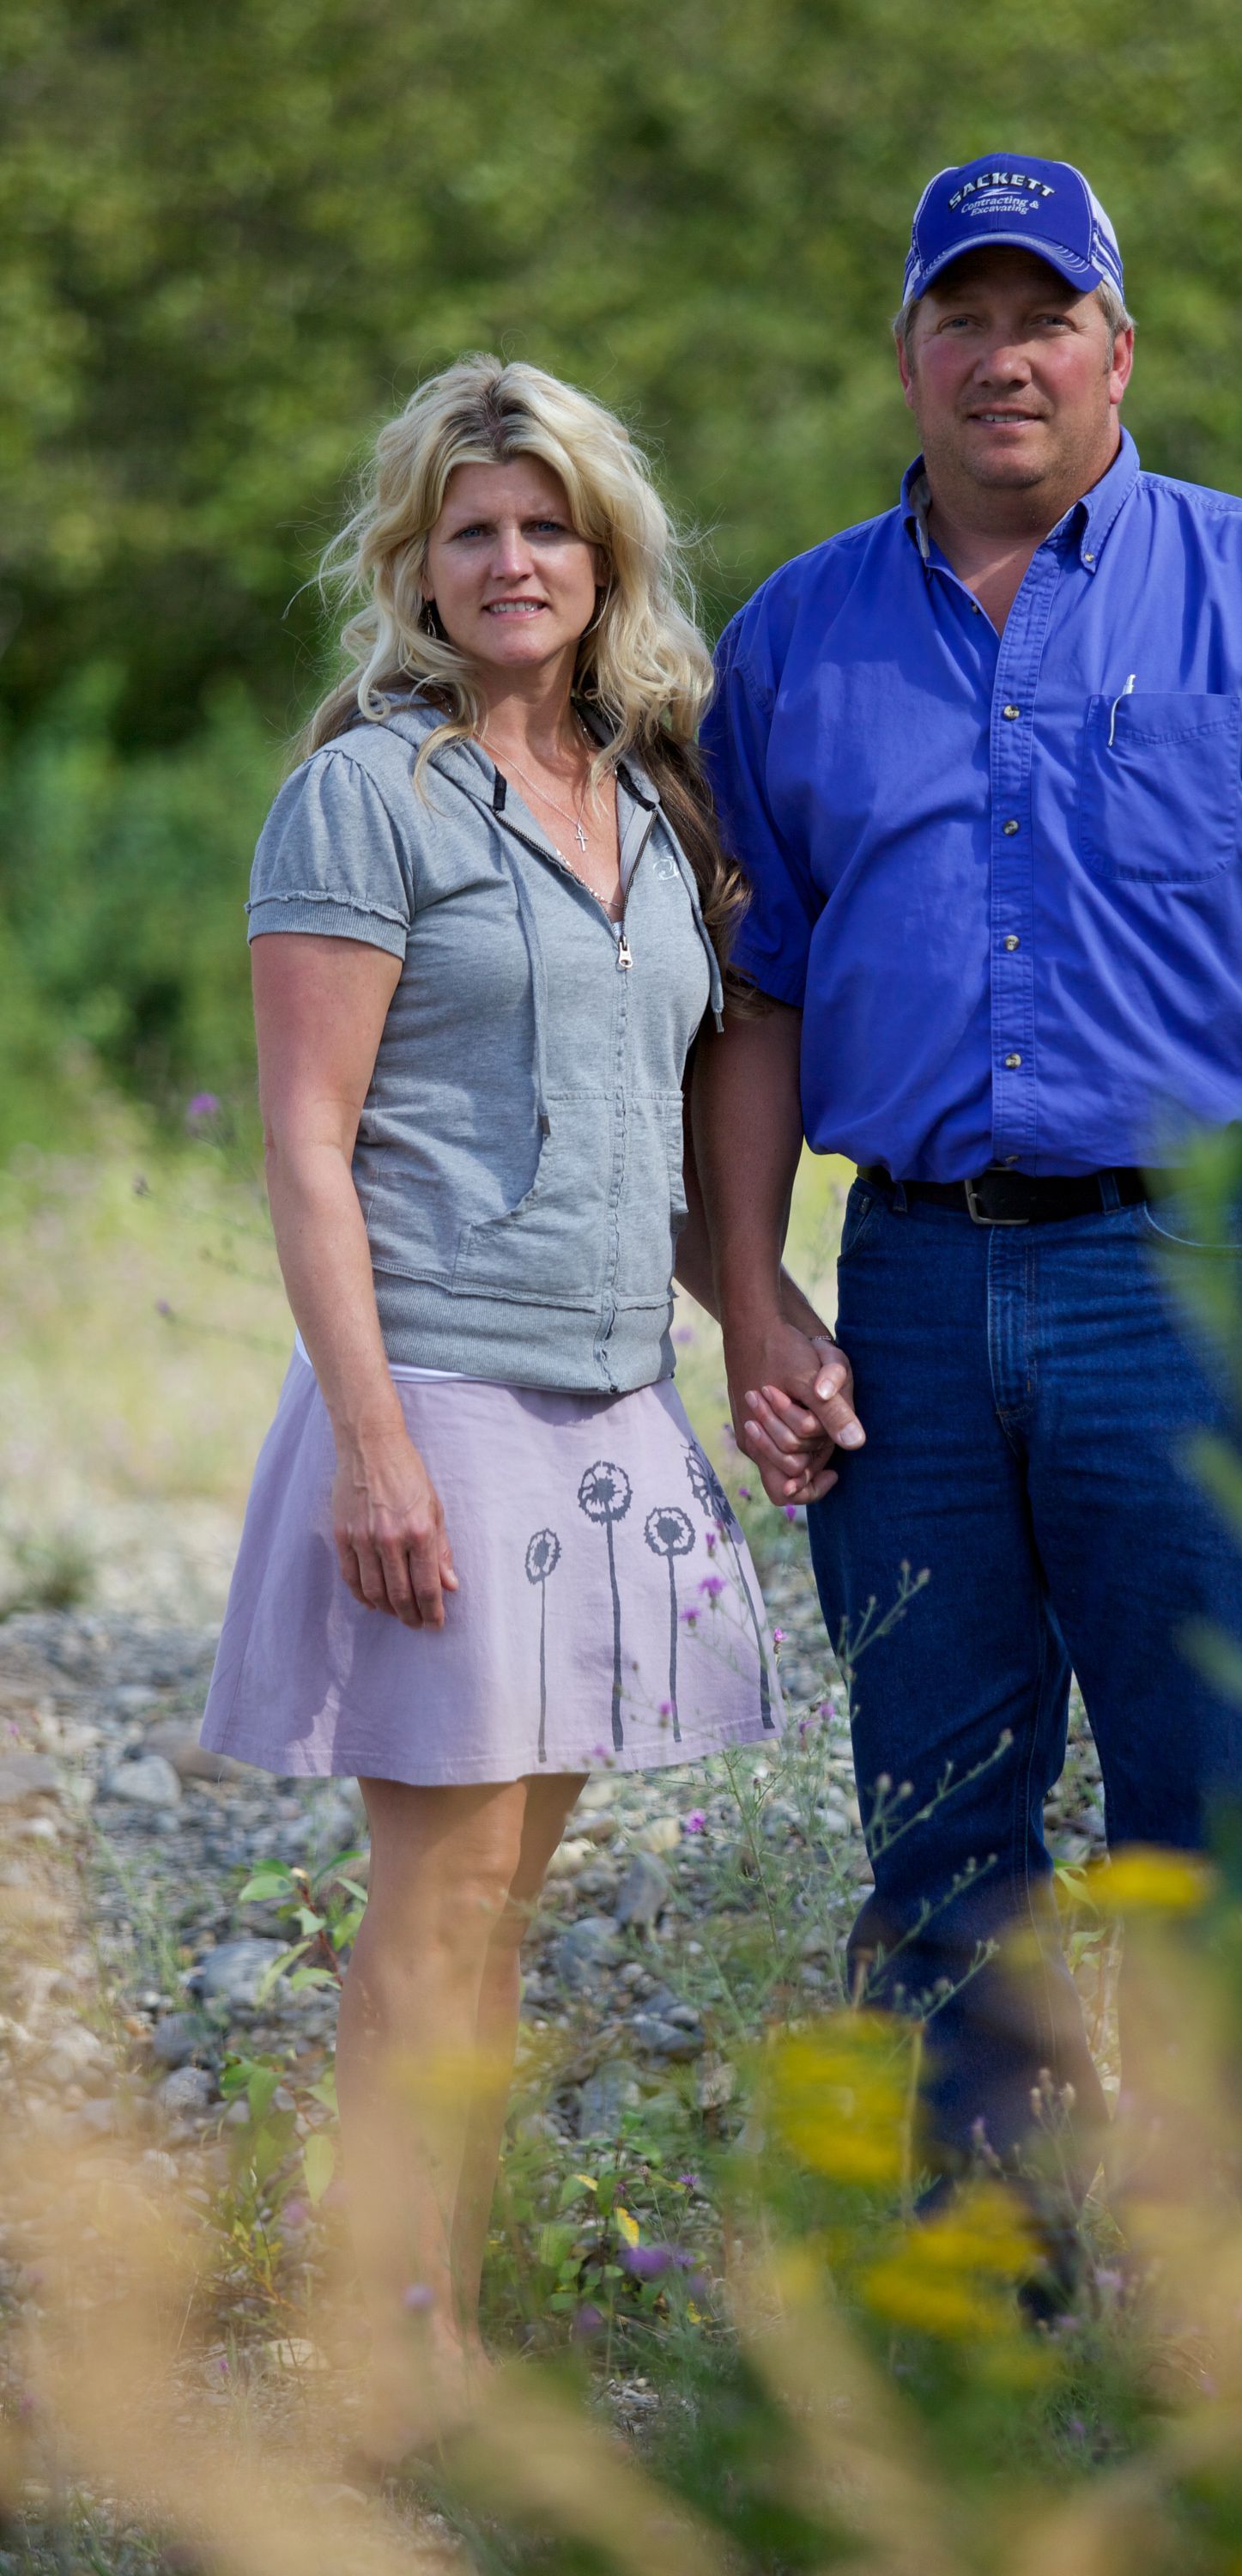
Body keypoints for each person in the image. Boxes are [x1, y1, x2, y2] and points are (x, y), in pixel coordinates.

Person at [695, 156, 1242, 2251]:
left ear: (1117, 350)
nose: (1004, 359)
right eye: (961, 319)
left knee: (1213, 1804)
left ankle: (1220, 2278)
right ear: (907, 353)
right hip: (903, 1288)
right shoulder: (791, 638)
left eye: (1043, 317)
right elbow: (754, 996)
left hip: (1197, 1275)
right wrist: (751, 1296)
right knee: (938, 1816)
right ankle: (990, 2278)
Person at [199, 356, 809, 2461]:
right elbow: (305, 1145)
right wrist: (372, 1444)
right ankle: (390, 2349)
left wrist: (764, 1321)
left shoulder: (656, 804)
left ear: (605, 554)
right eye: (471, 530)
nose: (513, 560)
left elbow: (665, 1136)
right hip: (440, 1388)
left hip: (611, 1393)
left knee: (509, 1904)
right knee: (437, 1897)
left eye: (547, 525)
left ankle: (438, 2315)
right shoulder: (365, 798)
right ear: (416, 566)